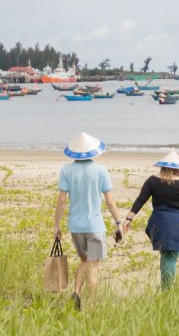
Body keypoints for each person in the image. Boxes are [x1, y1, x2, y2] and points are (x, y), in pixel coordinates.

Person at [53, 132, 124, 310]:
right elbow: (109, 201)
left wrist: (57, 224)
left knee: (85, 262)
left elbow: (61, 200)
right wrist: (118, 223)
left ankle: (76, 293)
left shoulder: (66, 170)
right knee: (93, 266)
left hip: (76, 226)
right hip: (94, 226)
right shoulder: (101, 170)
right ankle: (91, 306)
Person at [122, 151, 179, 290]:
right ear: (178, 168)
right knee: (171, 256)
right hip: (176, 224)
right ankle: (167, 291)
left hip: (158, 223)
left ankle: (166, 287)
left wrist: (129, 218)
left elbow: (141, 200)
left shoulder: (152, 181)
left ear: (162, 166)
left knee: (166, 254)